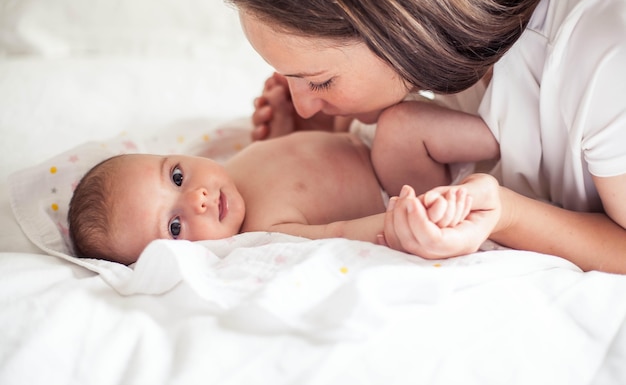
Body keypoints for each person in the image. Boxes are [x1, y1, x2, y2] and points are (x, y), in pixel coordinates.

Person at [219, 0, 626, 273]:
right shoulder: (456, 44)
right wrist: (333, 135)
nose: (303, 106)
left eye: (320, 81)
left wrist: (506, 215)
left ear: (400, 28)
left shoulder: (604, 55)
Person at [68, 85, 498, 266]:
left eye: (177, 177)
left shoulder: (231, 167)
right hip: (398, 184)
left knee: (366, 100)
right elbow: (341, 229)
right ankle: (511, 140)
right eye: (175, 225)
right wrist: (405, 221)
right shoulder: (262, 233)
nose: (197, 196)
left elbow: (304, 167)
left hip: (358, 143)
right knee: (401, 126)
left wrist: (291, 130)